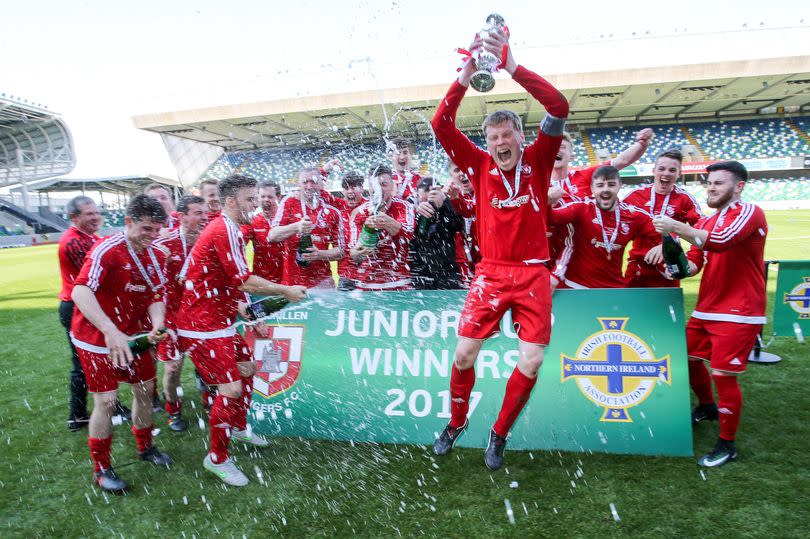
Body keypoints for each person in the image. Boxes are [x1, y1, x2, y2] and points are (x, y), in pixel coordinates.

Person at [430, 28, 568, 469]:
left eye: (507, 135)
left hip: (532, 273)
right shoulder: (478, 163)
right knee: (463, 353)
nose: (500, 143)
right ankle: (456, 423)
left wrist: (511, 65)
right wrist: (466, 74)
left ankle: (499, 433)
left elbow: (559, 106)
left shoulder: (541, 159)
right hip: (490, 273)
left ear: (520, 136)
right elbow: (440, 125)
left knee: (530, 361)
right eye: (493, 138)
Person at [175, 174, 306, 486]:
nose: (255, 203)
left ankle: (236, 426)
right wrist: (285, 290)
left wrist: (246, 311)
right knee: (230, 388)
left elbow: (225, 280)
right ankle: (217, 458)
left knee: (247, 369)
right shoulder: (223, 230)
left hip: (218, 321)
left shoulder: (230, 228)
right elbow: (243, 280)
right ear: (231, 201)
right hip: (200, 326)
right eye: (250, 198)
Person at [653, 160, 767, 467]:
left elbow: (721, 242)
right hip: (707, 309)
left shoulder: (749, 212)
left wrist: (675, 226)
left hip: (739, 310)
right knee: (684, 358)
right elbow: (694, 264)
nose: (711, 187)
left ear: (738, 187)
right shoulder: (705, 222)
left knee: (723, 375)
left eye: (718, 183)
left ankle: (727, 444)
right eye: (709, 183)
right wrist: (674, 266)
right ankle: (707, 406)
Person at [70, 195, 173, 493]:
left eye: (157, 230)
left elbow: (155, 297)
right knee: (106, 401)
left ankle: (145, 447)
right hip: (96, 338)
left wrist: (157, 324)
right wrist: (110, 330)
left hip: (134, 336)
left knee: (144, 391)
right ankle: (101, 468)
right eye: (146, 229)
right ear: (128, 223)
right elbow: (80, 292)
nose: (152, 237)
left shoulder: (156, 255)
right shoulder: (107, 250)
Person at [548, 129, 653, 289]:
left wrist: (641, 144)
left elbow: (621, 161)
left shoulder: (584, 176)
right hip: (545, 252)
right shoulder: (535, 181)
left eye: (562, 146)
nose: (557, 149)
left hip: (573, 257)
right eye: (553, 146)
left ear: (572, 155)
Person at [153, 195, 209, 432]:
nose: (204, 217)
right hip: (172, 316)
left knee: (208, 364)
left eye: (204, 212)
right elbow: (153, 281)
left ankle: (210, 401)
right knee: (173, 368)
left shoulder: (208, 241)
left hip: (201, 314)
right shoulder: (166, 244)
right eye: (198, 213)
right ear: (182, 216)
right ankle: (173, 411)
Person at [622, 149, 704, 287]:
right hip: (637, 269)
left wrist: (692, 261)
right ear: (654, 170)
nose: (666, 173)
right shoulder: (634, 196)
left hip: (669, 270)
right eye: (662, 168)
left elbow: (703, 232)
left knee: (667, 309)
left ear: (679, 174)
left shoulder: (685, 200)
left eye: (672, 170)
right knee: (630, 309)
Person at [58, 196, 103, 431]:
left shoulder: (90, 237)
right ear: (74, 217)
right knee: (83, 364)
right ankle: (76, 415)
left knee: (98, 360)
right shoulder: (75, 242)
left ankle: (108, 405)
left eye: (96, 212)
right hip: (77, 308)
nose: (95, 217)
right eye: (89, 214)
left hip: (83, 306)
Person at [269, 168, 344, 288]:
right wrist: (297, 227)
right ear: (298, 184)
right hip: (293, 285)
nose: (309, 186)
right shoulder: (289, 203)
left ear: (321, 184)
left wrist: (320, 254)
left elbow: (341, 252)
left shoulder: (332, 212)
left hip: (323, 285)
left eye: (313, 182)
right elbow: (272, 235)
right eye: (305, 182)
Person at [349, 164, 415, 291]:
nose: (378, 189)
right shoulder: (359, 213)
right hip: (366, 286)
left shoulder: (404, 207)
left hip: (399, 284)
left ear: (392, 187)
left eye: (383, 184)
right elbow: (354, 253)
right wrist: (359, 253)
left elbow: (408, 234)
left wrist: (386, 222)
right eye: (374, 185)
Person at [409, 176, 464, 290]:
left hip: (447, 271)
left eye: (433, 191)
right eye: (425, 192)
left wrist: (443, 205)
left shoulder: (447, 204)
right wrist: (418, 213)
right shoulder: (410, 208)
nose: (430, 197)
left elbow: (458, 225)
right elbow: (413, 237)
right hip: (420, 272)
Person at [330, 171, 367, 291]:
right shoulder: (338, 206)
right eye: (346, 188)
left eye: (354, 187)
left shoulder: (370, 207)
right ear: (343, 191)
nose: (350, 191)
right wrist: (325, 170)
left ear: (362, 188)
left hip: (368, 275)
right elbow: (318, 192)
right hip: (346, 276)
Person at [242, 181, 284, 283]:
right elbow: (239, 242)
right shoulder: (252, 221)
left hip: (286, 280)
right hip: (263, 281)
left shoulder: (287, 218)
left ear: (278, 198)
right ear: (258, 198)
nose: (266, 200)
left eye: (270, 197)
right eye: (263, 196)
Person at [446, 161, 479, 287]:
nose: (462, 174)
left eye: (465, 168)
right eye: (457, 170)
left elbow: (469, 212)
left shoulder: (486, 194)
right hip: (460, 259)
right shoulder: (445, 198)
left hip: (485, 256)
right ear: (451, 175)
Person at [388, 136, 421, 201]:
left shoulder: (418, 178)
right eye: (398, 153)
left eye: (405, 153)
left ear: (410, 155)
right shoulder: (387, 180)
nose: (402, 157)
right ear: (390, 156)